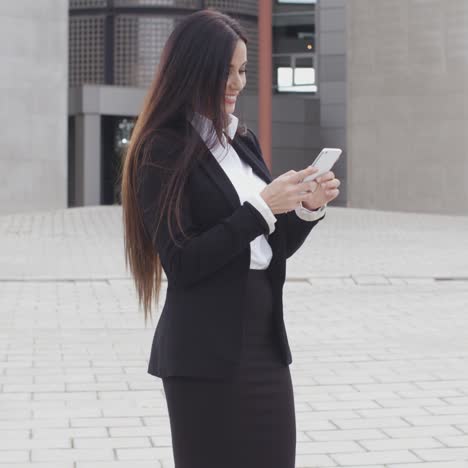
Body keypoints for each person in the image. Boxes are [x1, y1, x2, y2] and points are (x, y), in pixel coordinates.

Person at [120, 8, 340, 468]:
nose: (237, 82)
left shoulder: (243, 141)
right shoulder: (160, 149)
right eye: (226, 71)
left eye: (242, 70)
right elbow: (182, 262)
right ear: (192, 68)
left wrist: (306, 208)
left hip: (264, 345)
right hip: (203, 354)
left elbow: (267, 249)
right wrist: (260, 207)